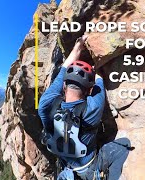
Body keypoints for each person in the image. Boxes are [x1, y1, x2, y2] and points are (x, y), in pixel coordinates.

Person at [38, 35, 131, 180]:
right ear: (89, 90)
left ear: (64, 86)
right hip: (87, 168)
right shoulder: (93, 107)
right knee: (123, 145)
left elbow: (63, 69)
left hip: (65, 166)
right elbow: (99, 79)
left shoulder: (46, 105)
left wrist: (77, 48)